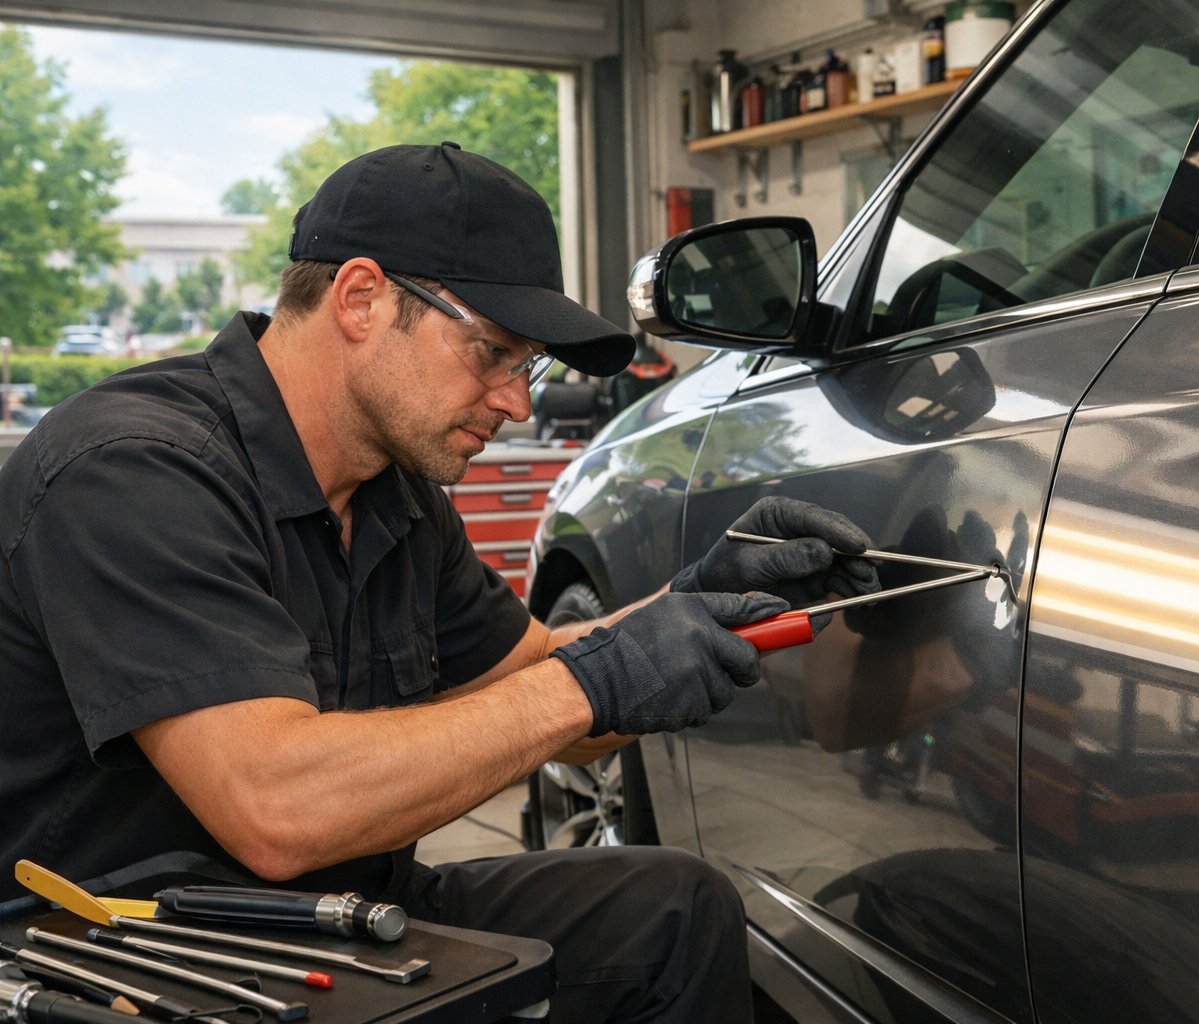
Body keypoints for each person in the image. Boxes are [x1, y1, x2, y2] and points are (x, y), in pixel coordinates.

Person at [0, 142, 880, 1021]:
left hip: (347, 919)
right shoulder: (135, 471)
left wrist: (690, 604)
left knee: (675, 911)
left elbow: (544, 693)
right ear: (359, 298)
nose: (517, 403)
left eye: (526, 365)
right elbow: (275, 808)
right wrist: (595, 678)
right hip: (127, 961)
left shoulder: (399, 497)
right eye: (494, 353)